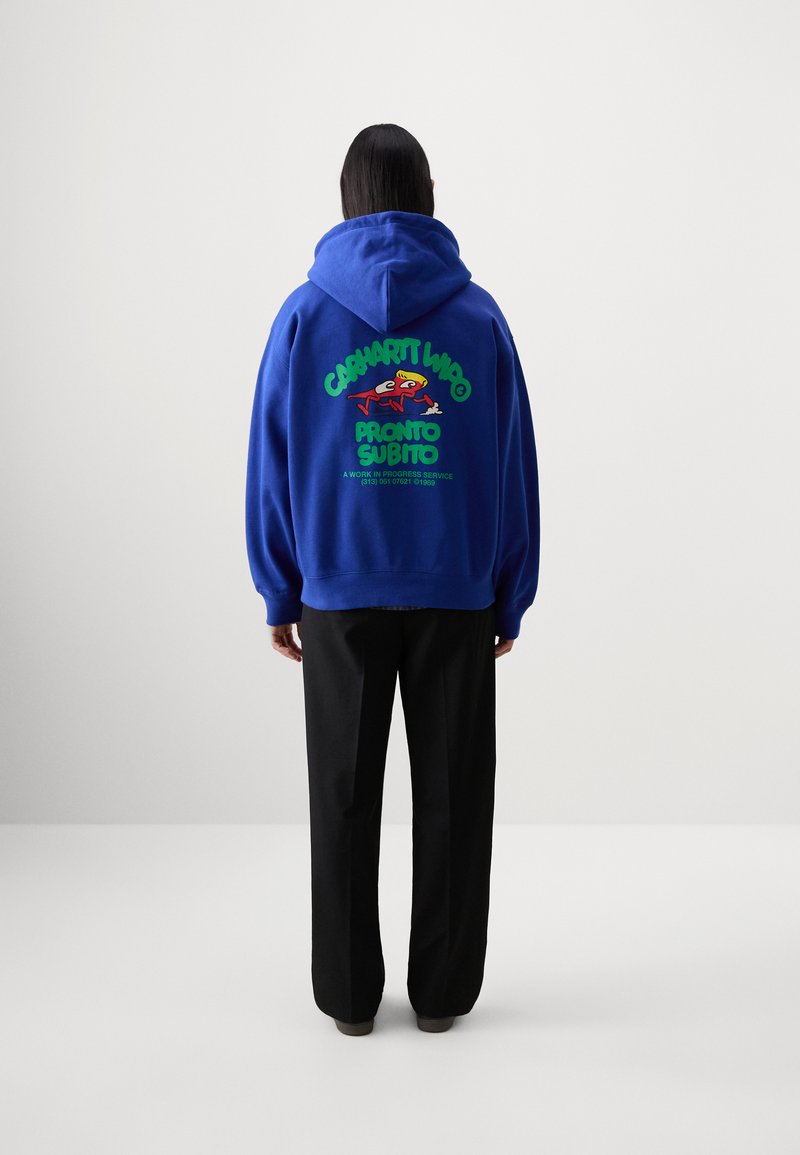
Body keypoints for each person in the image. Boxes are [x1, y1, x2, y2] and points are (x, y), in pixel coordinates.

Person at [245, 123, 540, 1037]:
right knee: (454, 797)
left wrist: (278, 586)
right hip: (455, 591)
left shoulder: (303, 317)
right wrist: (511, 586)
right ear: (429, 194)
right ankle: (443, 995)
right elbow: (512, 460)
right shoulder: (478, 318)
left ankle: (347, 999)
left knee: (341, 796)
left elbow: (270, 459)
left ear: (348, 201)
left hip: (337, 591)